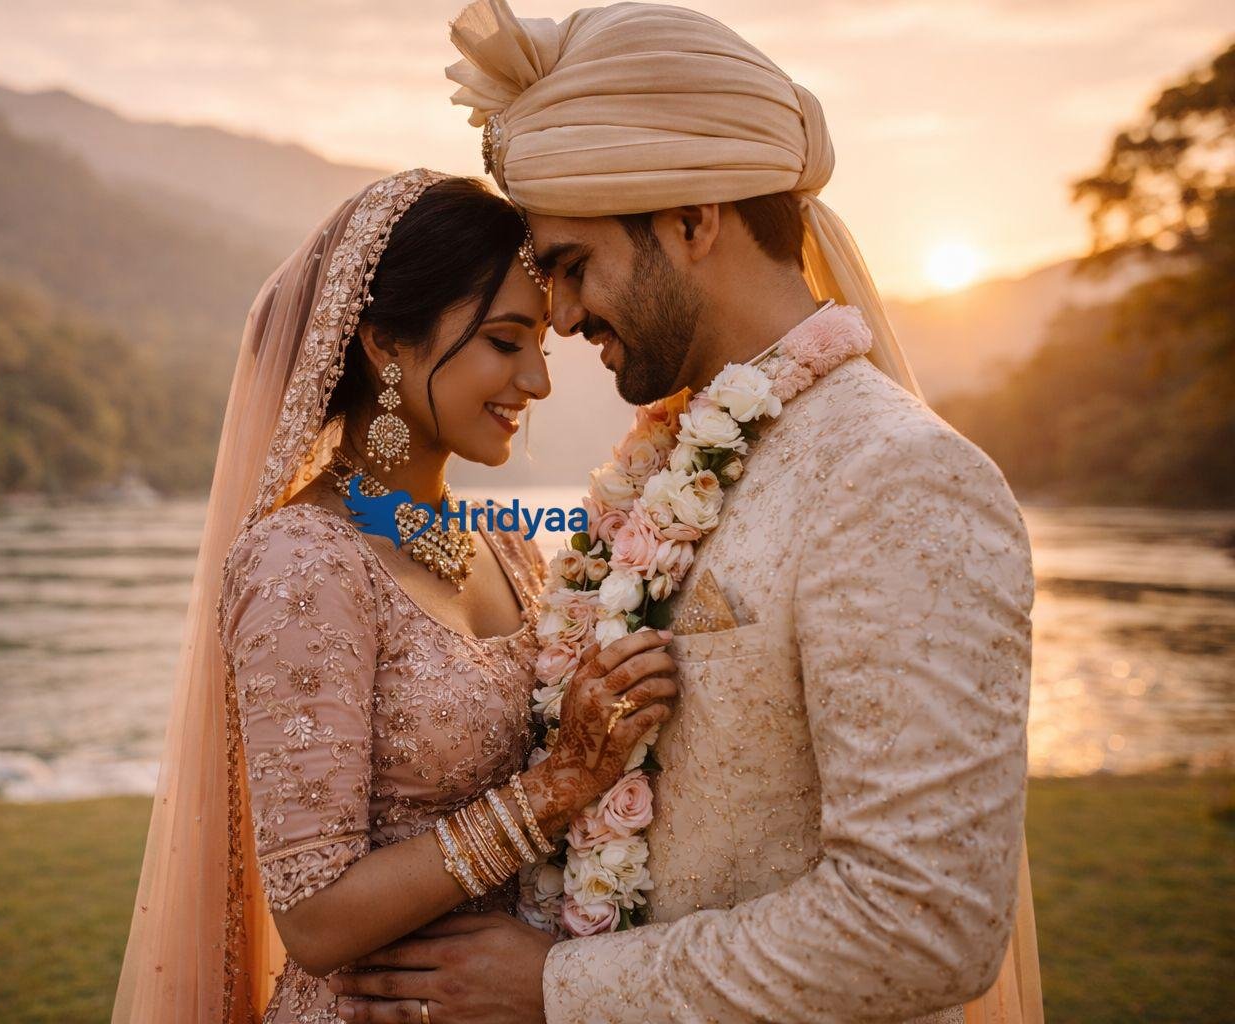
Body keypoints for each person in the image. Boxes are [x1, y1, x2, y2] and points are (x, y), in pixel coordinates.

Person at [326, 4, 1045, 1023]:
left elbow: (926, 921)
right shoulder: (666, 462)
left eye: (572, 266)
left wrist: (556, 987)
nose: (562, 318)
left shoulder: (898, 477)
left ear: (694, 221)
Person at [112, 169, 679, 1023]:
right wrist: (558, 786)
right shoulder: (304, 560)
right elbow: (316, 917)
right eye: (504, 342)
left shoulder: (507, 547)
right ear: (385, 346)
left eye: (541, 346)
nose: (538, 381)